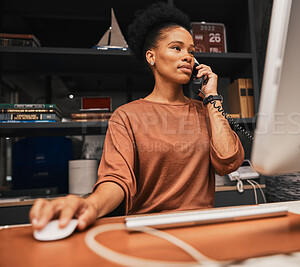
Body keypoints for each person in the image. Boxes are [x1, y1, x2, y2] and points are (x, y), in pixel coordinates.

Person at [30, 2, 244, 231]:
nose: (188, 57)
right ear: (151, 57)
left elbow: (228, 161)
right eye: (177, 48)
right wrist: (90, 204)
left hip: (203, 228)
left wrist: (212, 97)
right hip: (149, 230)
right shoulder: (127, 116)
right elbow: (116, 179)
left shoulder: (206, 111)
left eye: (192, 52)